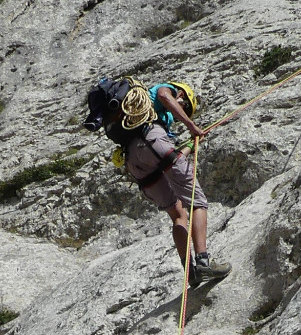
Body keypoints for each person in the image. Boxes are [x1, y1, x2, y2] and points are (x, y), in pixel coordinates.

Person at [85, 78, 229, 287]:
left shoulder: (146, 118)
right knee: (198, 202)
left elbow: (168, 157)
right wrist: (191, 126)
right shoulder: (162, 90)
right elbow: (164, 98)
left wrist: (191, 144)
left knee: (178, 214)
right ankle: (204, 263)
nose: (182, 114)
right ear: (181, 95)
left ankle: (190, 273)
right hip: (151, 141)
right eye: (185, 107)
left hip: (134, 160)